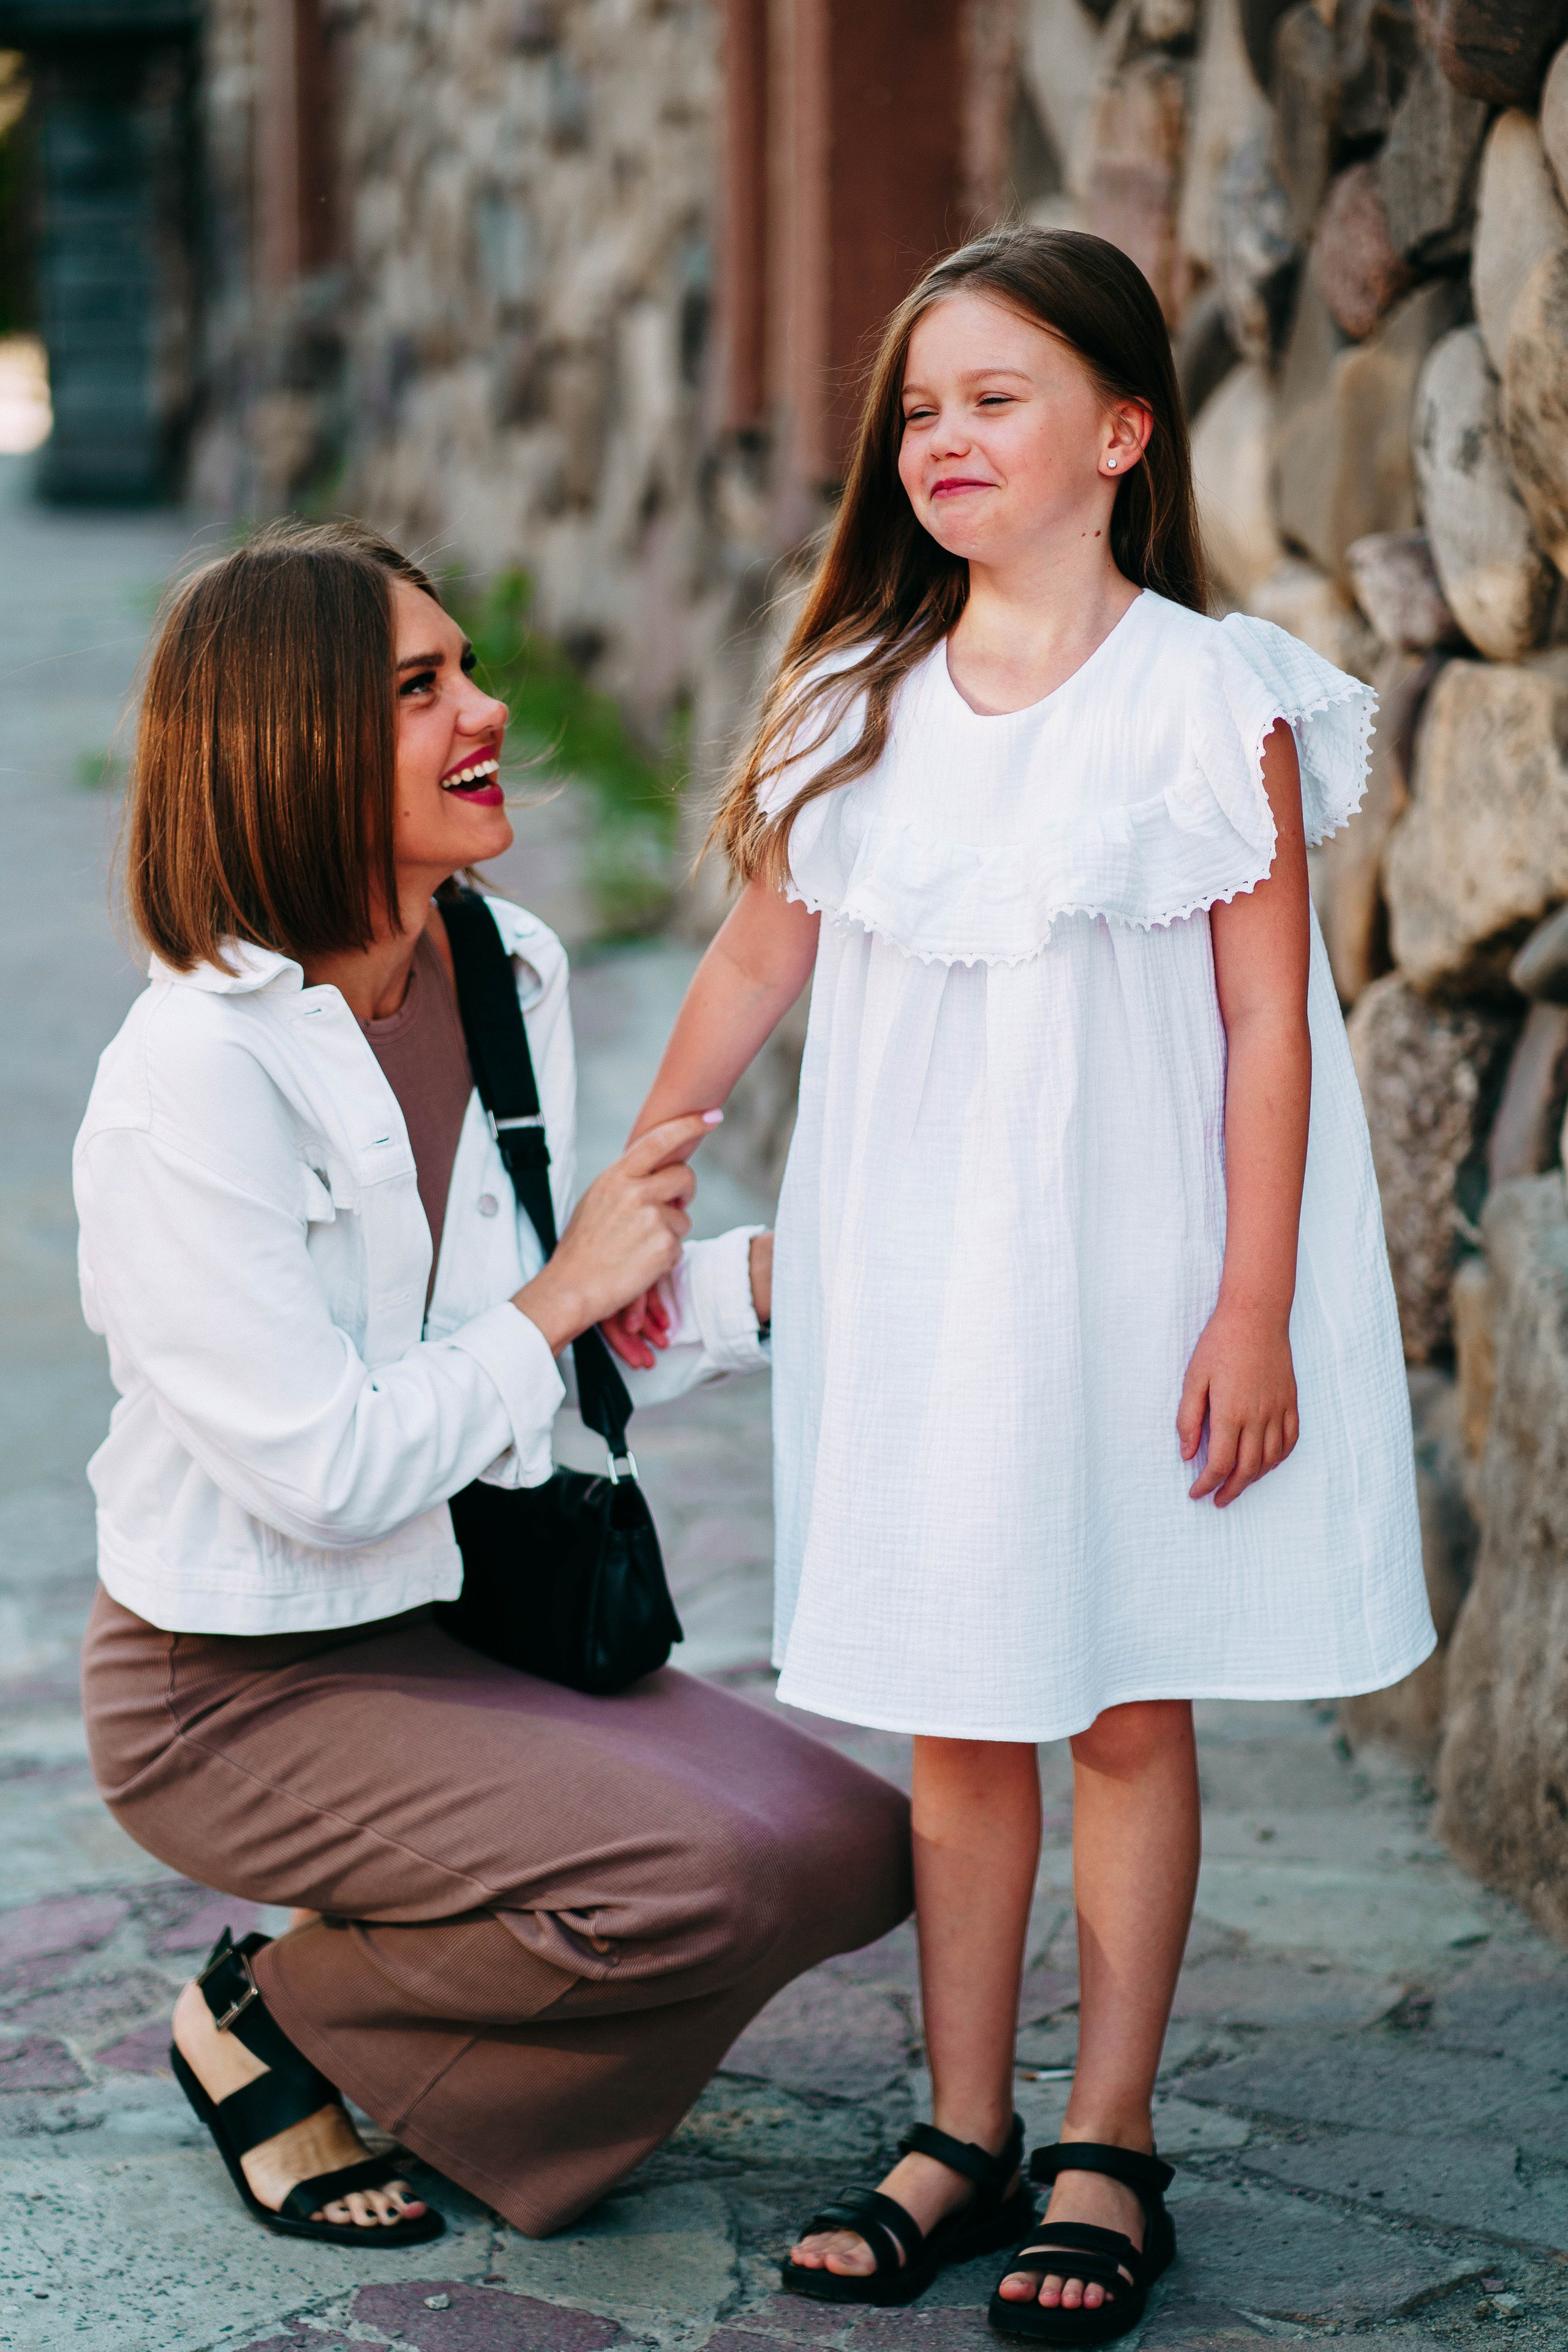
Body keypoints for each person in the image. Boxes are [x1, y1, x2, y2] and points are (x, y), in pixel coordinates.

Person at [608, 228, 1433, 2343]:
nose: (942, 440)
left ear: (1121, 430)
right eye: (917, 408)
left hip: (1139, 1275)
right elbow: (759, 962)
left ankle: (1111, 2134)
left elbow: (1271, 1025)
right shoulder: (853, 704)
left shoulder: (1210, 699)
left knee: (1126, 1698)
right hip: (923, 1273)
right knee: (961, 1709)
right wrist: (650, 1165)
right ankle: (959, 2124)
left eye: (993, 398)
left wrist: (1250, 1308)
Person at [75, 519, 911, 2250]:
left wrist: (813, 1285)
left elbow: (549, 1331)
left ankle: (428, 2065)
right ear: (289, 744)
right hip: (232, 1682)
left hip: (459, 1609)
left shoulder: (495, 964)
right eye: (417, 688)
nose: (490, 707)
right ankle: (275, 2021)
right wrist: (554, 1303)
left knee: (849, 1847)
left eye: (467, 667)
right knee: (690, 1878)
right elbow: (327, 1464)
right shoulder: (194, 1078)